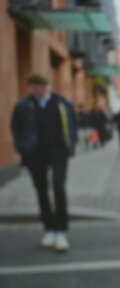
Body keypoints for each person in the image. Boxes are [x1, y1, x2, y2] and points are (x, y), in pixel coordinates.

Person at [10, 74, 77, 252]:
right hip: (34, 154)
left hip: (58, 152)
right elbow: (15, 128)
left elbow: (72, 125)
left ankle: (61, 231)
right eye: (32, 88)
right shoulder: (23, 106)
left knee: (58, 186)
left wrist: (72, 144)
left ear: (46, 86)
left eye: (39, 87)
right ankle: (49, 229)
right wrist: (21, 147)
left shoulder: (61, 103)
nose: (35, 91)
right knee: (41, 190)